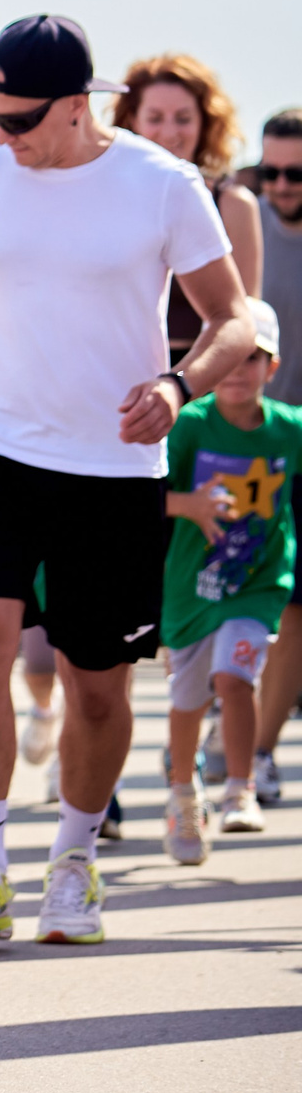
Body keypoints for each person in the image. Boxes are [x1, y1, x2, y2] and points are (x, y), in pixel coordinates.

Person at [0, 15, 252, 945]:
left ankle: (76, 863)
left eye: (19, 120)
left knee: (97, 686)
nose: (2, 137)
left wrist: (179, 386)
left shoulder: (161, 185)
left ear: (80, 103)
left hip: (113, 465)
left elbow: (236, 320)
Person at [160, 300, 297, 862]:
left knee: (234, 677)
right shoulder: (190, 423)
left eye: (253, 359)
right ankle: (182, 795)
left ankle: (240, 789)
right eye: (231, 359)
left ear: (273, 366)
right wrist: (186, 504)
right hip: (192, 586)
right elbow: (142, 494)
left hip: (258, 582)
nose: (240, 370)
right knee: (188, 700)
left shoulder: (288, 429)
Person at [116, 53, 266, 311]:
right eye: (155, 118)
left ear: (204, 123)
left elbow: (246, 316)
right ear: (132, 121)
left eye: (183, 118)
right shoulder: (109, 199)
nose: (170, 132)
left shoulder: (234, 205)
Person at [251, 109, 302, 802]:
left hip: (301, 445)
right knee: (211, 597)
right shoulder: (243, 227)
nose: (284, 184)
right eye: (272, 172)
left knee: (294, 607)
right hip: (237, 440)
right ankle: (220, 715)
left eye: (297, 173)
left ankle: (257, 747)